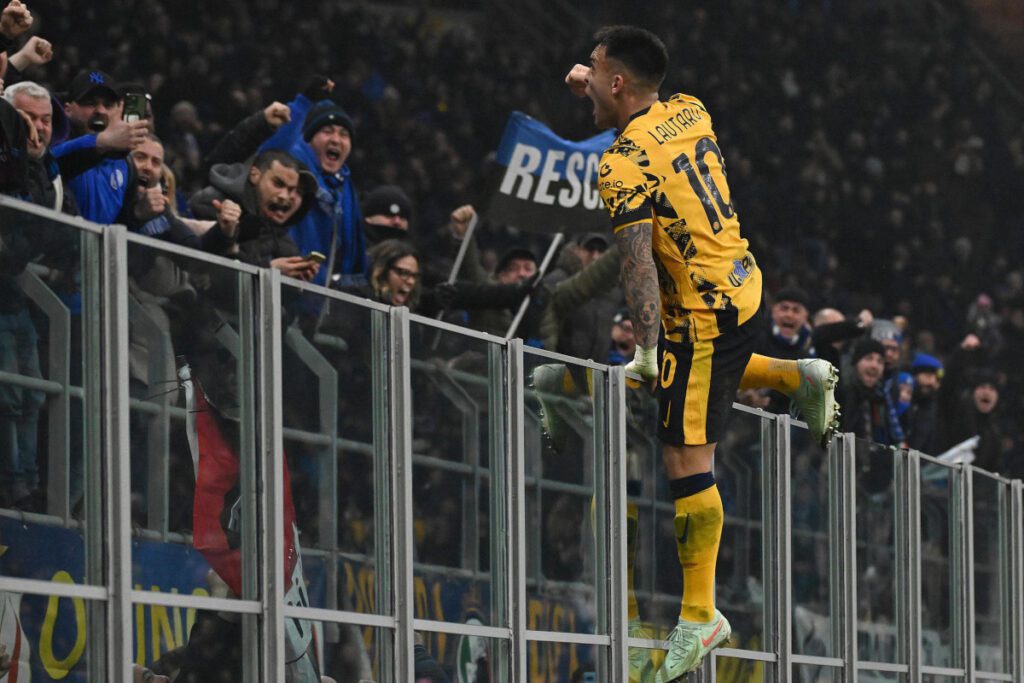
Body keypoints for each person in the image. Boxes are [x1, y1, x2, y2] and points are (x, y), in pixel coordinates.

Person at [565, 26, 838, 680]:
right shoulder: (689, 108)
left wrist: (648, 349)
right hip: (745, 285)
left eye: (597, 71)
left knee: (686, 455)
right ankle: (798, 374)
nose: (590, 80)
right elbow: (634, 118)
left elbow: (635, 266)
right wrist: (592, 82)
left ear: (618, 83)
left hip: (700, 316)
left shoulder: (620, 166)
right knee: (712, 380)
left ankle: (700, 612)